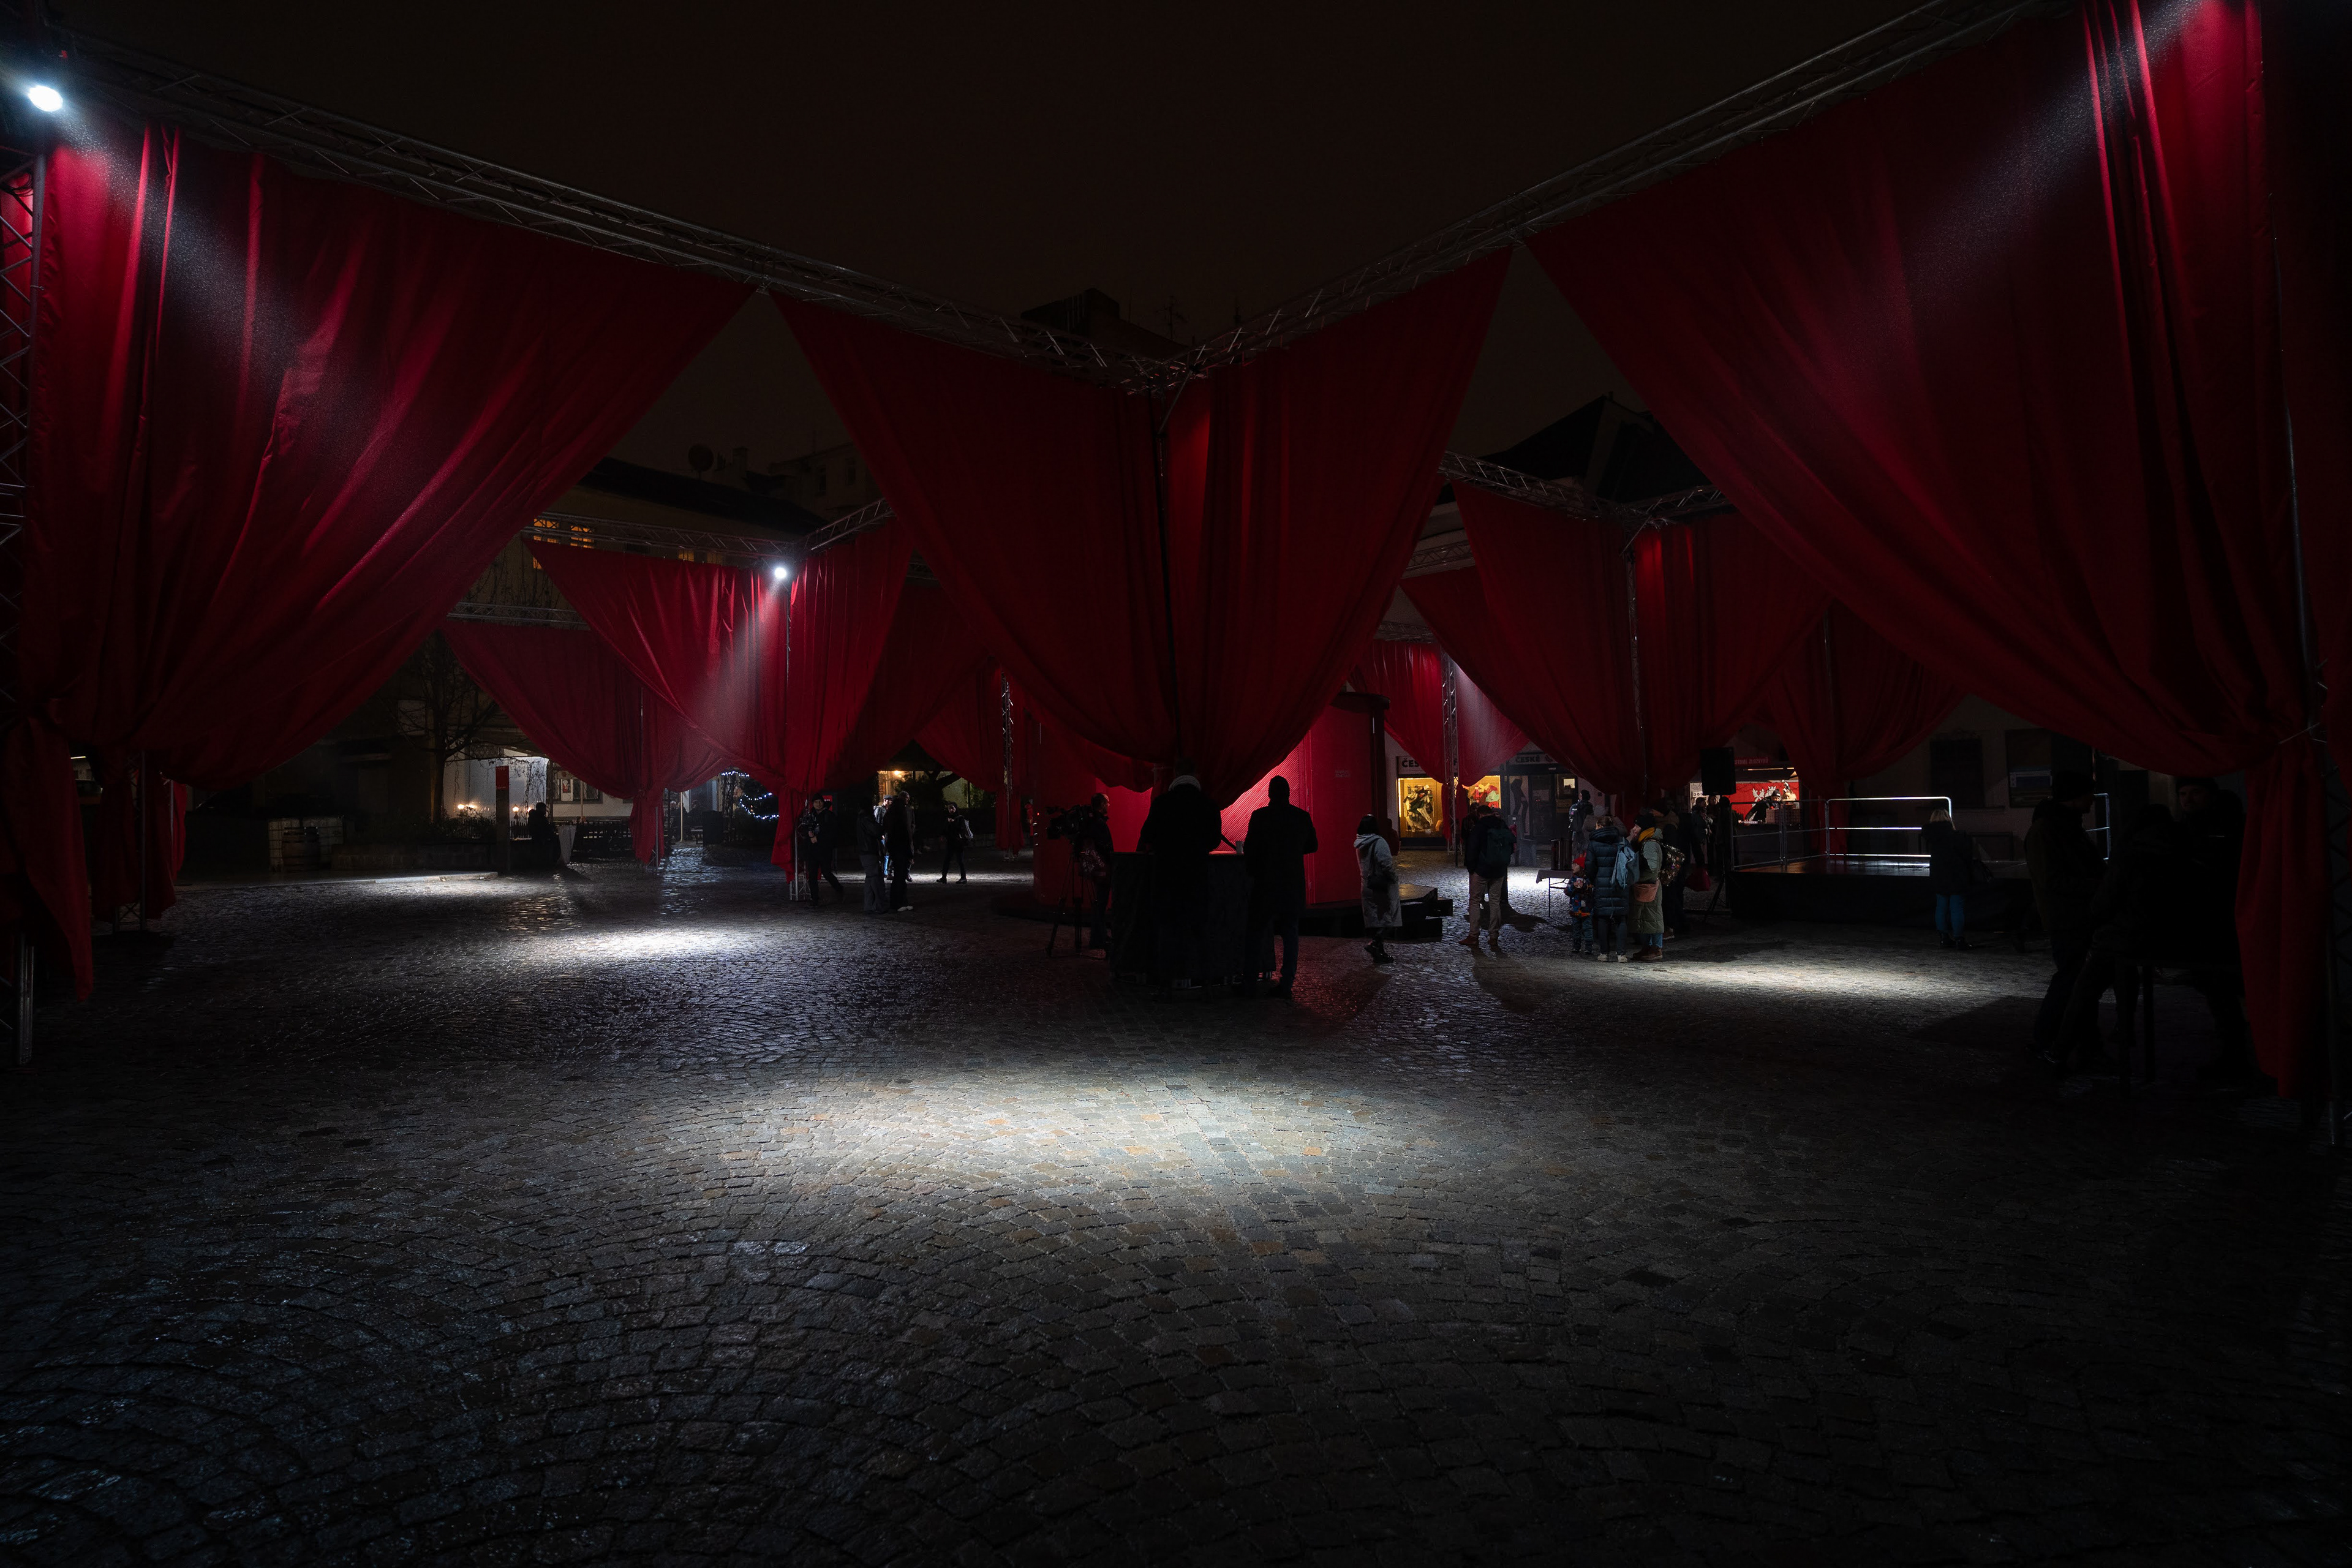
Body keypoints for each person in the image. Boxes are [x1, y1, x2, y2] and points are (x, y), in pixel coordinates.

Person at [2052, 804, 2183, 1074]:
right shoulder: (2178, 849)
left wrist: (2095, 918)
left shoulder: (2130, 852)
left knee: (2084, 991)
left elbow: (2105, 902)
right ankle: (2124, 1026)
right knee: (2125, 975)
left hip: (2120, 935)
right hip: (2159, 938)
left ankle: (2059, 1051)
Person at [2176, 776, 2256, 1085]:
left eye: (2195, 792)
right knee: (2221, 991)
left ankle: (2238, 1057)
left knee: (2222, 990)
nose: (2188, 799)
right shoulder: (2196, 828)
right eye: (2183, 793)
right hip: (2211, 922)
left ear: (2211, 795)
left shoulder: (2221, 829)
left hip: (2221, 922)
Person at [2027, 771, 2106, 1058]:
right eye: (2089, 793)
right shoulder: (2052, 829)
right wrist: (2100, 885)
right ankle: (2049, 1040)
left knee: (2078, 981)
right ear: (2075, 797)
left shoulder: (2060, 826)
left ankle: (2074, 1042)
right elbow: (2052, 880)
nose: (2093, 799)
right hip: (2069, 918)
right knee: (2073, 980)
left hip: (2073, 916)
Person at [1139, 759, 1221, 989]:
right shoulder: (1209, 805)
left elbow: (1148, 835)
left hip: (1167, 878)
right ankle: (1205, 986)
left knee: (1168, 933)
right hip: (1197, 877)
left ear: (1175, 774)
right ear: (1196, 775)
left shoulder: (1162, 803)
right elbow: (1214, 840)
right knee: (1200, 932)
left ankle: (1166, 986)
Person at [1242, 775, 1317, 998]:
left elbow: (1250, 849)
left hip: (1265, 884)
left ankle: (1250, 983)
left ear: (1270, 794)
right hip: (1292, 885)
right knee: (1290, 934)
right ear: (1288, 793)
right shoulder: (1301, 817)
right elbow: (1313, 845)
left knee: (1256, 933)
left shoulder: (1260, 817)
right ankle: (1287, 983)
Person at [1461, 803, 1515, 954]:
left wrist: (1472, 869)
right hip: (1499, 870)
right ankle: (1494, 936)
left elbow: (1472, 849)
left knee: (1475, 901)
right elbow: (1510, 847)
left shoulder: (1479, 827)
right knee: (1495, 902)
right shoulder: (1502, 825)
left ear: (1480, 815)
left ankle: (1473, 935)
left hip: (1482, 870)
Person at [1923, 807, 1976, 949]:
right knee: (1956, 908)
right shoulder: (1958, 836)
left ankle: (1944, 938)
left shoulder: (1930, 836)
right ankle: (1959, 939)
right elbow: (1967, 856)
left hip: (1939, 875)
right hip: (1957, 875)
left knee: (1941, 907)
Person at [1357, 812, 1401, 965]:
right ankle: (1375, 944)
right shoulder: (1379, 842)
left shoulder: (1360, 843)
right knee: (1389, 919)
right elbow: (1386, 864)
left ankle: (1379, 953)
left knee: (1376, 920)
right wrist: (1394, 878)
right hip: (1380, 885)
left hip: (1367, 885)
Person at [1587, 813, 1632, 961]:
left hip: (1601, 883)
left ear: (1600, 826)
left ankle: (1604, 953)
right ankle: (1621, 954)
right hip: (1620, 883)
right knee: (1621, 918)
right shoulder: (1622, 841)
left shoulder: (1594, 843)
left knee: (1603, 918)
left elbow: (1590, 866)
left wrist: (1595, 880)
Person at [1077, 793, 1116, 954]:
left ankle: (1098, 937)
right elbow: (1104, 847)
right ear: (1102, 805)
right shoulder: (1099, 824)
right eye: (1107, 803)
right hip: (1102, 869)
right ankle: (1099, 938)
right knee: (1100, 903)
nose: (1109, 806)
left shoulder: (1090, 823)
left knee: (1098, 904)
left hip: (1095, 869)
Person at [1629, 809, 1668, 962]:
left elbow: (1652, 869)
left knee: (1653, 918)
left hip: (1650, 887)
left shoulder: (1650, 844)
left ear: (1644, 828)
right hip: (1646, 886)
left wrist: (1637, 878)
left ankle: (1656, 948)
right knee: (1646, 918)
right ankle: (1647, 947)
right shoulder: (1644, 842)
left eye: (1637, 826)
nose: (1634, 829)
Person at [798, 794, 845, 904]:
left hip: (825, 849)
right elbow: (805, 830)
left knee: (826, 872)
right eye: (816, 802)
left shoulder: (829, 815)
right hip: (812, 850)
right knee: (812, 874)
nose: (818, 804)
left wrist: (818, 838)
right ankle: (815, 899)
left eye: (820, 802)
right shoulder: (811, 816)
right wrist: (809, 836)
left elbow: (833, 832)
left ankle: (839, 889)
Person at [880, 793, 913, 911]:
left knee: (900, 876)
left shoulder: (891, 816)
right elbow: (904, 836)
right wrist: (909, 853)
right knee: (900, 876)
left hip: (897, 849)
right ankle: (897, 903)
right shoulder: (898, 819)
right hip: (900, 849)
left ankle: (901, 901)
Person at [854, 797, 886, 915]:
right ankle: (879, 905)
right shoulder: (866, 818)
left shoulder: (862, 817)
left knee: (870, 878)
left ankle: (869, 905)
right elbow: (876, 830)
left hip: (866, 851)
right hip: (869, 851)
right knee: (875, 878)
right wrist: (883, 827)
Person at [1564, 854, 1597, 957]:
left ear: (1582, 867)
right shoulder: (1573, 880)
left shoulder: (1588, 879)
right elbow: (1567, 891)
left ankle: (1588, 947)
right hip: (1575, 909)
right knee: (1576, 928)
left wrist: (1585, 887)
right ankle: (1576, 946)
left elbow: (1593, 891)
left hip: (1586, 910)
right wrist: (1573, 888)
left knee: (1588, 928)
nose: (1572, 866)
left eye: (1575, 865)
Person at [937, 801, 973, 883]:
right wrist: (943, 835)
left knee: (960, 860)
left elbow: (961, 829)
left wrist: (953, 823)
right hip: (950, 842)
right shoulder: (948, 818)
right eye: (949, 809)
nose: (951, 810)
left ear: (956, 808)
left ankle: (964, 878)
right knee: (947, 860)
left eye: (952, 808)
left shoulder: (960, 818)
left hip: (959, 843)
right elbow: (945, 829)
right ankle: (944, 877)